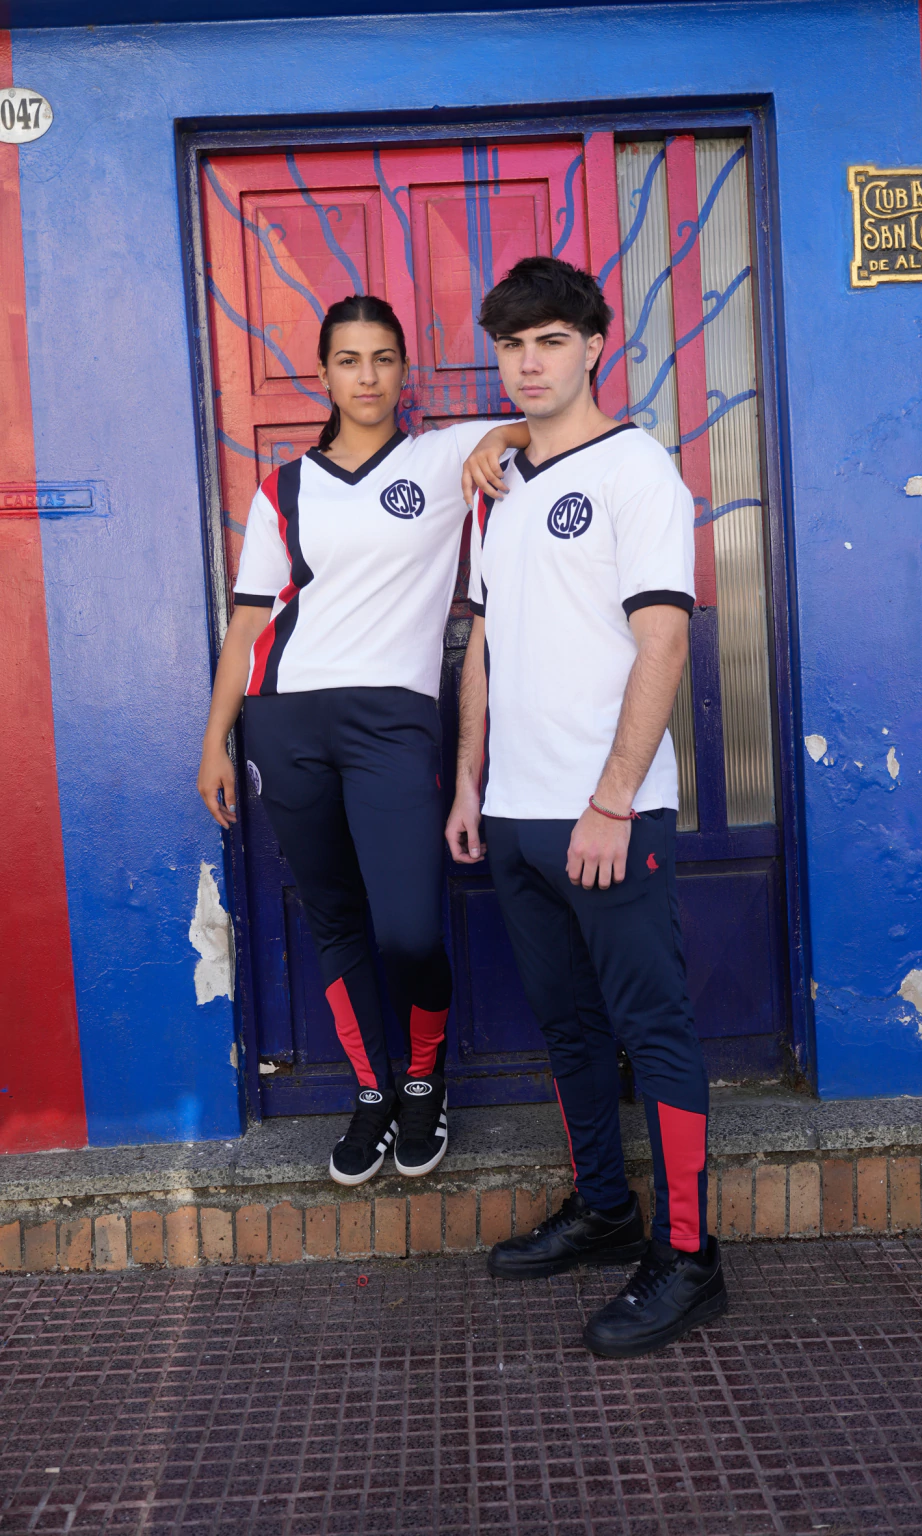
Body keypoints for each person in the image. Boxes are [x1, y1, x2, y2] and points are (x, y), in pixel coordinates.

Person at [445, 256, 728, 1358]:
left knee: (652, 1031)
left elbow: (664, 641)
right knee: (566, 1027)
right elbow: (480, 645)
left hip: (607, 818)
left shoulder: (639, 472)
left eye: (551, 341)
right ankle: (606, 1210)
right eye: (512, 345)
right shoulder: (500, 485)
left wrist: (611, 802)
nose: (529, 363)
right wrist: (469, 783)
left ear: (595, 345)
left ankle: (689, 1257)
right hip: (515, 816)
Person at [198, 293, 527, 1188]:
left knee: (411, 928)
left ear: (403, 370)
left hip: (393, 722)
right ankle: (374, 1091)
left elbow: (545, 424)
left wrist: (499, 441)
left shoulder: (441, 456)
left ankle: (425, 1080)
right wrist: (216, 739)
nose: (368, 376)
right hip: (286, 719)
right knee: (336, 918)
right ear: (325, 374)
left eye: (383, 358)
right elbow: (248, 622)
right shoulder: (284, 489)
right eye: (349, 360)